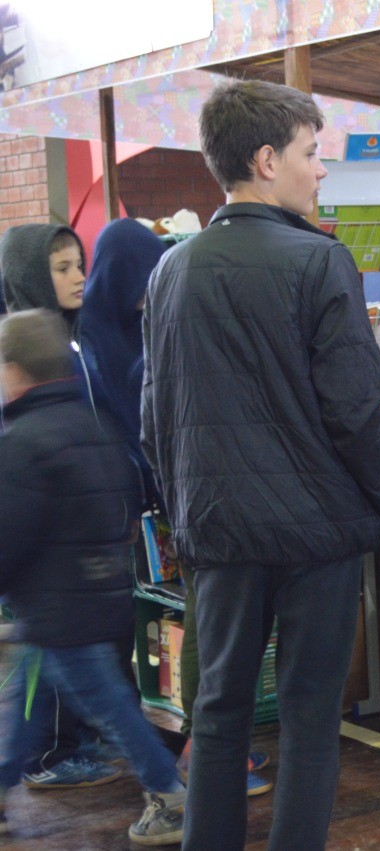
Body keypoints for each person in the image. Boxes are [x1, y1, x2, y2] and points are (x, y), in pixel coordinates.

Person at [141, 80, 380, 850]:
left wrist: (184, 509)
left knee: (217, 712)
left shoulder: (170, 273)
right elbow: (355, 410)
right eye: (312, 153)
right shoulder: (322, 264)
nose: (321, 171)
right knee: (310, 718)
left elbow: (155, 417)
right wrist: (379, 505)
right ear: (265, 158)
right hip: (319, 531)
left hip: (217, 529)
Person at [80, 219, 274, 796]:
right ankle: (196, 753)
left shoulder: (141, 332)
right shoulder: (94, 345)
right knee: (195, 628)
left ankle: (194, 747)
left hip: (170, 505)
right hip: (144, 513)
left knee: (195, 622)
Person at [0, 309, 185, 844]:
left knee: (109, 706)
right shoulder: (94, 424)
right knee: (32, 699)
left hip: (57, 607)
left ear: (15, 372)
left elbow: (11, 533)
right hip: (100, 595)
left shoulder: (21, 442)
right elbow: (125, 502)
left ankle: (170, 795)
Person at [0, 223, 125, 790]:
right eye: (62, 267)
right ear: (31, 274)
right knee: (46, 657)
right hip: (42, 536)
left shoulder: (77, 339)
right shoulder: (20, 356)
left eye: (80, 263)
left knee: (56, 657)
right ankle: (48, 756)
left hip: (76, 529)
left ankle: (49, 749)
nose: (79, 276)